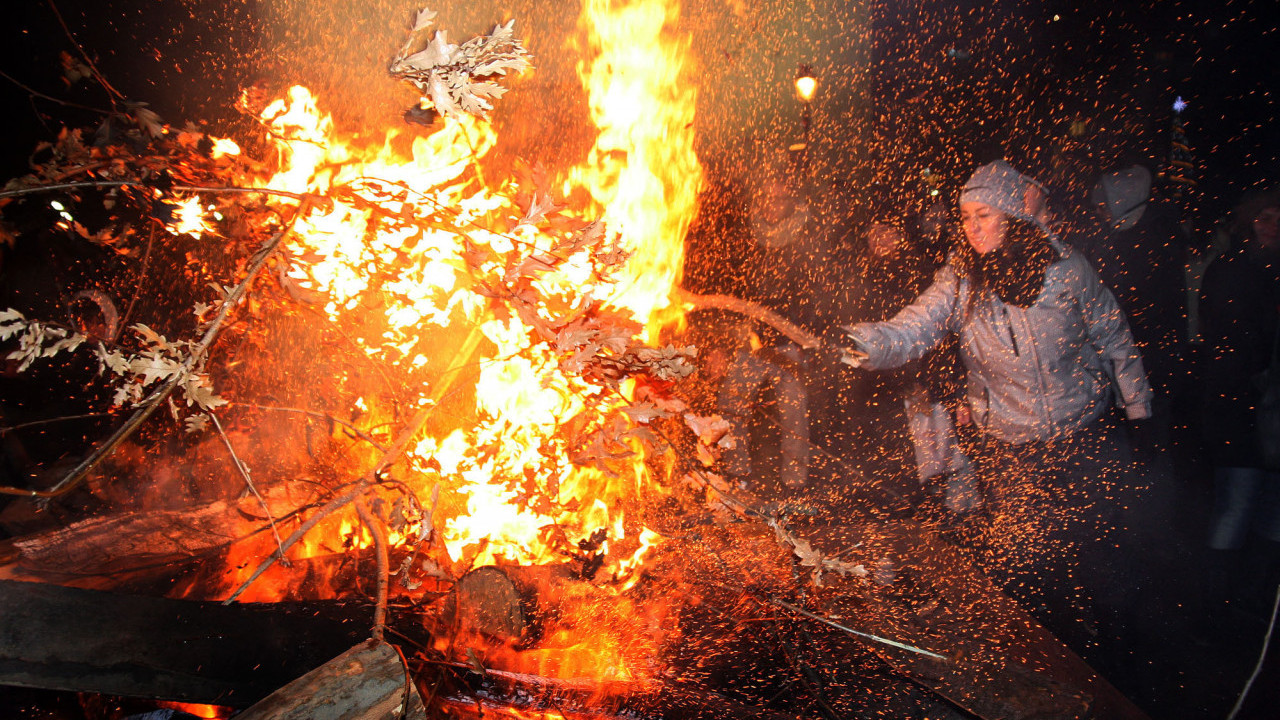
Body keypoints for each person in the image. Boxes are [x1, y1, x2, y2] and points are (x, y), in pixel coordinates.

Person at [841, 160, 1153, 652]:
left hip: (1081, 434)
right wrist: (864, 342)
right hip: (1009, 445)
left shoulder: (1067, 272)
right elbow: (914, 326)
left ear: (1010, 214)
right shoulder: (961, 282)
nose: (971, 227)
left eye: (982, 214)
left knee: (1101, 552)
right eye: (964, 217)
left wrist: (1139, 412)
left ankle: (1123, 654)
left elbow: (1114, 337)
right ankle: (1057, 658)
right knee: (1030, 559)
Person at [1199, 188, 1280, 574]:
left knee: (1273, 515)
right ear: (1249, 221)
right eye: (1265, 218)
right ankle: (1214, 617)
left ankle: (1253, 605)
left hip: (1273, 416)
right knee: (1235, 508)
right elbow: (1224, 346)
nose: (1273, 228)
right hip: (1238, 414)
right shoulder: (1228, 270)